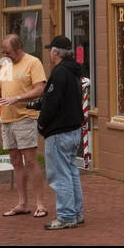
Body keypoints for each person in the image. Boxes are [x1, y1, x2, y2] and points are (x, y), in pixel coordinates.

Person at [0, 33, 50, 219]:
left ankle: (40, 203)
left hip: (25, 117)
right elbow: (0, 87)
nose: (6, 55)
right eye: (4, 52)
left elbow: (40, 88)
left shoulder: (33, 63)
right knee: (15, 161)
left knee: (30, 160)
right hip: (7, 118)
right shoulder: (5, 64)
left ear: (19, 49)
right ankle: (22, 203)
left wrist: (18, 98)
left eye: (8, 52)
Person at [37, 35, 86, 230]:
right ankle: (76, 212)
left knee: (60, 175)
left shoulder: (59, 73)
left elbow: (52, 102)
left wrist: (41, 124)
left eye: (51, 50)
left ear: (56, 52)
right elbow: (63, 98)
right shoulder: (74, 72)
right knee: (71, 172)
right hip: (74, 129)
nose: (50, 53)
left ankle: (66, 216)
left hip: (59, 132)